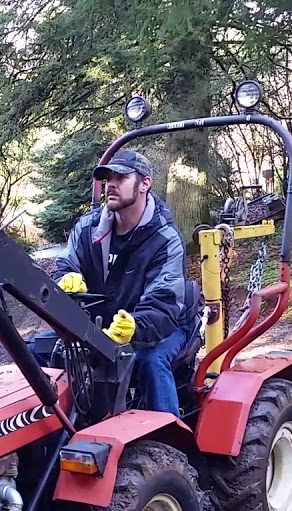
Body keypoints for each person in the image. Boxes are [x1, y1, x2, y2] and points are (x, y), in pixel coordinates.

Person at [32, 149, 192, 416]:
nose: (111, 185)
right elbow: (66, 265)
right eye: (107, 178)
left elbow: (164, 302)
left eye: (121, 177)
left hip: (164, 326)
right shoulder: (87, 228)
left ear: (145, 184)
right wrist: (64, 280)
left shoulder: (165, 238)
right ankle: (53, 435)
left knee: (149, 361)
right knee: (37, 349)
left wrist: (135, 326)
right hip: (103, 325)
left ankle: (168, 443)